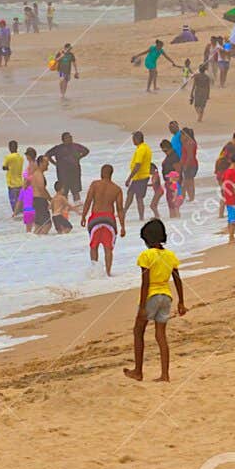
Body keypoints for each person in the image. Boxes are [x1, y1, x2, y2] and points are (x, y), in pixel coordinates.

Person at [122, 219, 186, 383]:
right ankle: (165, 375)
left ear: (147, 239)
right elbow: (177, 279)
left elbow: (145, 282)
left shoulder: (146, 255)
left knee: (138, 331)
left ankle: (138, 371)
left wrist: (142, 306)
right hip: (167, 296)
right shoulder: (170, 255)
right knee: (161, 336)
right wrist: (181, 302)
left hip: (151, 295)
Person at [82, 164, 126, 276]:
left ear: (102, 173)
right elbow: (120, 209)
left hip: (95, 218)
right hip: (109, 220)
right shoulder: (117, 189)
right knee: (108, 248)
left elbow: (88, 201)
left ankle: (94, 271)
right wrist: (122, 227)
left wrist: (83, 216)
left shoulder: (95, 184)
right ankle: (108, 273)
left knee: (93, 246)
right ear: (111, 174)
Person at [44, 132, 90, 202]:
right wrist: (55, 163)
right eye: (68, 137)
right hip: (63, 174)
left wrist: (79, 157)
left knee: (76, 192)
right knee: (64, 193)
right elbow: (47, 155)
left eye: (71, 137)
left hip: (75, 173)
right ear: (63, 139)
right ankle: (65, 210)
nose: (70, 138)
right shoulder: (58, 148)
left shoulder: (76, 146)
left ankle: (78, 209)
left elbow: (86, 151)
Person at [219, 158, 235, 243]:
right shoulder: (232, 172)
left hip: (228, 197)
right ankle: (231, 237)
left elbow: (223, 183)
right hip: (232, 198)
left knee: (230, 218)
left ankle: (231, 236)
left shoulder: (227, 171)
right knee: (233, 219)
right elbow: (234, 188)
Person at [2, 140, 25, 215]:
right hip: (20, 182)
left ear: (9, 148)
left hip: (12, 183)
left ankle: (16, 218)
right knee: (21, 205)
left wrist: (8, 168)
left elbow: (4, 167)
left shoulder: (8, 157)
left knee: (14, 205)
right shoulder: (21, 157)